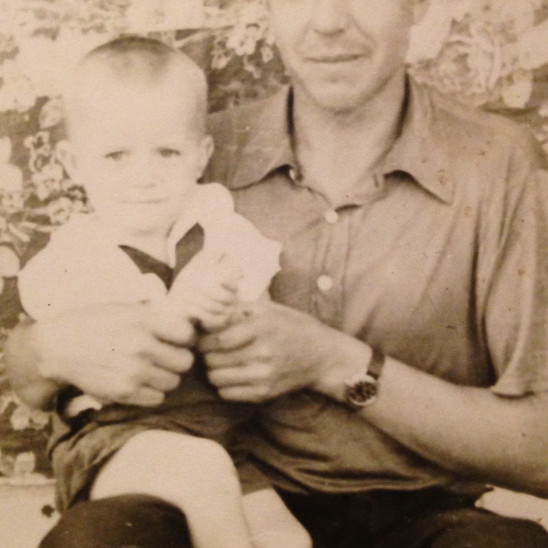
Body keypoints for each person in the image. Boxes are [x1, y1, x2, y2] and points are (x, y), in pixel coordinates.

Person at [5, 1, 548, 546]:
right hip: (223, 495)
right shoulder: (177, 148)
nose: (329, 22)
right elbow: (35, 369)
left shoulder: (496, 163)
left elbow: (541, 453)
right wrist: (51, 347)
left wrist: (334, 362)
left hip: (419, 515)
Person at [14, 36, 310, 548]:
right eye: (116, 155)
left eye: (167, 152)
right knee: (206, 482)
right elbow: (101, 339)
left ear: (201, 156)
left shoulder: (218, 223)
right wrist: (178, 306)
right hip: (114, 438)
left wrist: (232, 308)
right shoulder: (72, 254)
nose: (144, 177)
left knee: (287, 539)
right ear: (72, 162)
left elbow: (258, 316)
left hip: (218, 435)